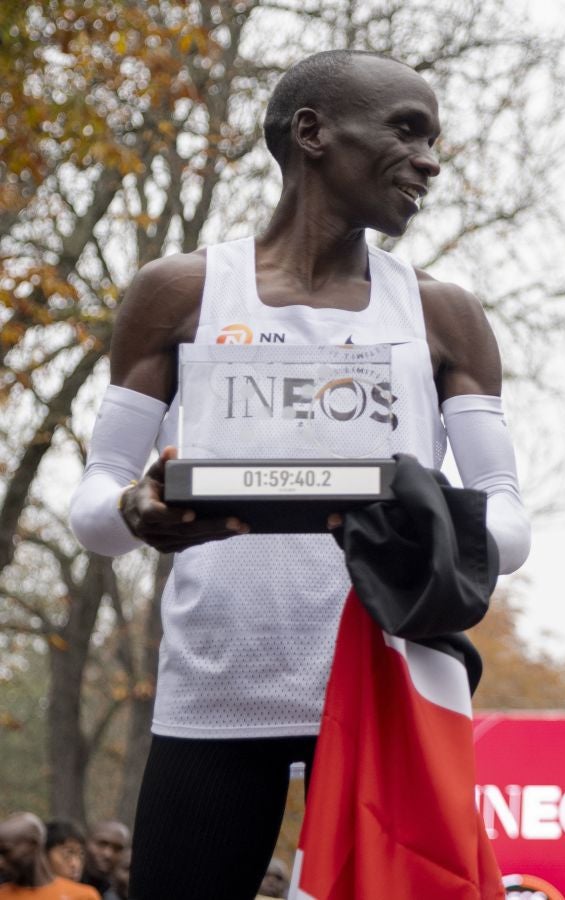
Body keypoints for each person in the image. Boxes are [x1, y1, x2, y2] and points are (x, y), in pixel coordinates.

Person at [68, 49, 530, 899]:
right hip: (219, 684)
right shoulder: (180, 293)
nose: (430, 158)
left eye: (433, 138)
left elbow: (508, 521)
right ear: (313, 133)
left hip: (389, 678)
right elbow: (96, 506)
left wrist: (423, 521)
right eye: (407, 130)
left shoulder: (443, 313)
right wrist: (141, 511)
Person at [0, 814, 99, 899]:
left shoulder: (83, 896)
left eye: (6, 852)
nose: (75, 864)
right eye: (66, 854)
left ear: (33, 845)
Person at [77, 824, 127, 897]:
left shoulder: (121, 892)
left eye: (117, 848)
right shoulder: (62, 885)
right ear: (85, 844)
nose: (108, 854)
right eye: (102, 844)